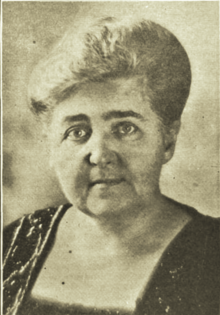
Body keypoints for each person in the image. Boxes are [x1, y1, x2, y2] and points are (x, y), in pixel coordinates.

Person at [3, 16, 219, 315]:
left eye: (125, 128)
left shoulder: (212, 257)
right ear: (51, 147)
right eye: (77, 132)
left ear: (167, 140)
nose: (99, 154)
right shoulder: (15, 246)